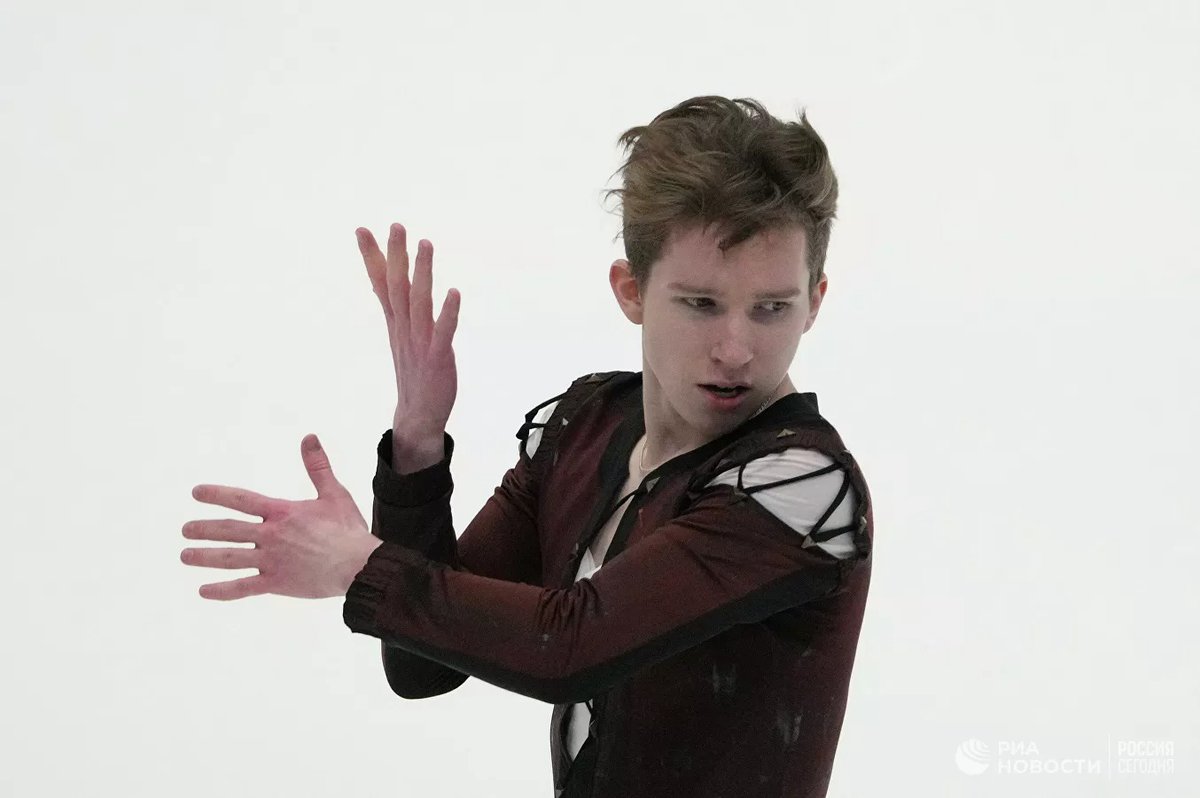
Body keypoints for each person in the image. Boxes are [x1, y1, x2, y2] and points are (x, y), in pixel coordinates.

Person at [182, 95, 874, 797]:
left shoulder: (798, 488)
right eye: (701, 303)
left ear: (814, 301)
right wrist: (417, 445)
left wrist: (355, 563)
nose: (735, 349)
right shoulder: (585, 426)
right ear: (631, 291)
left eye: (772, 308)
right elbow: (423, 665)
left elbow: (569, 648)